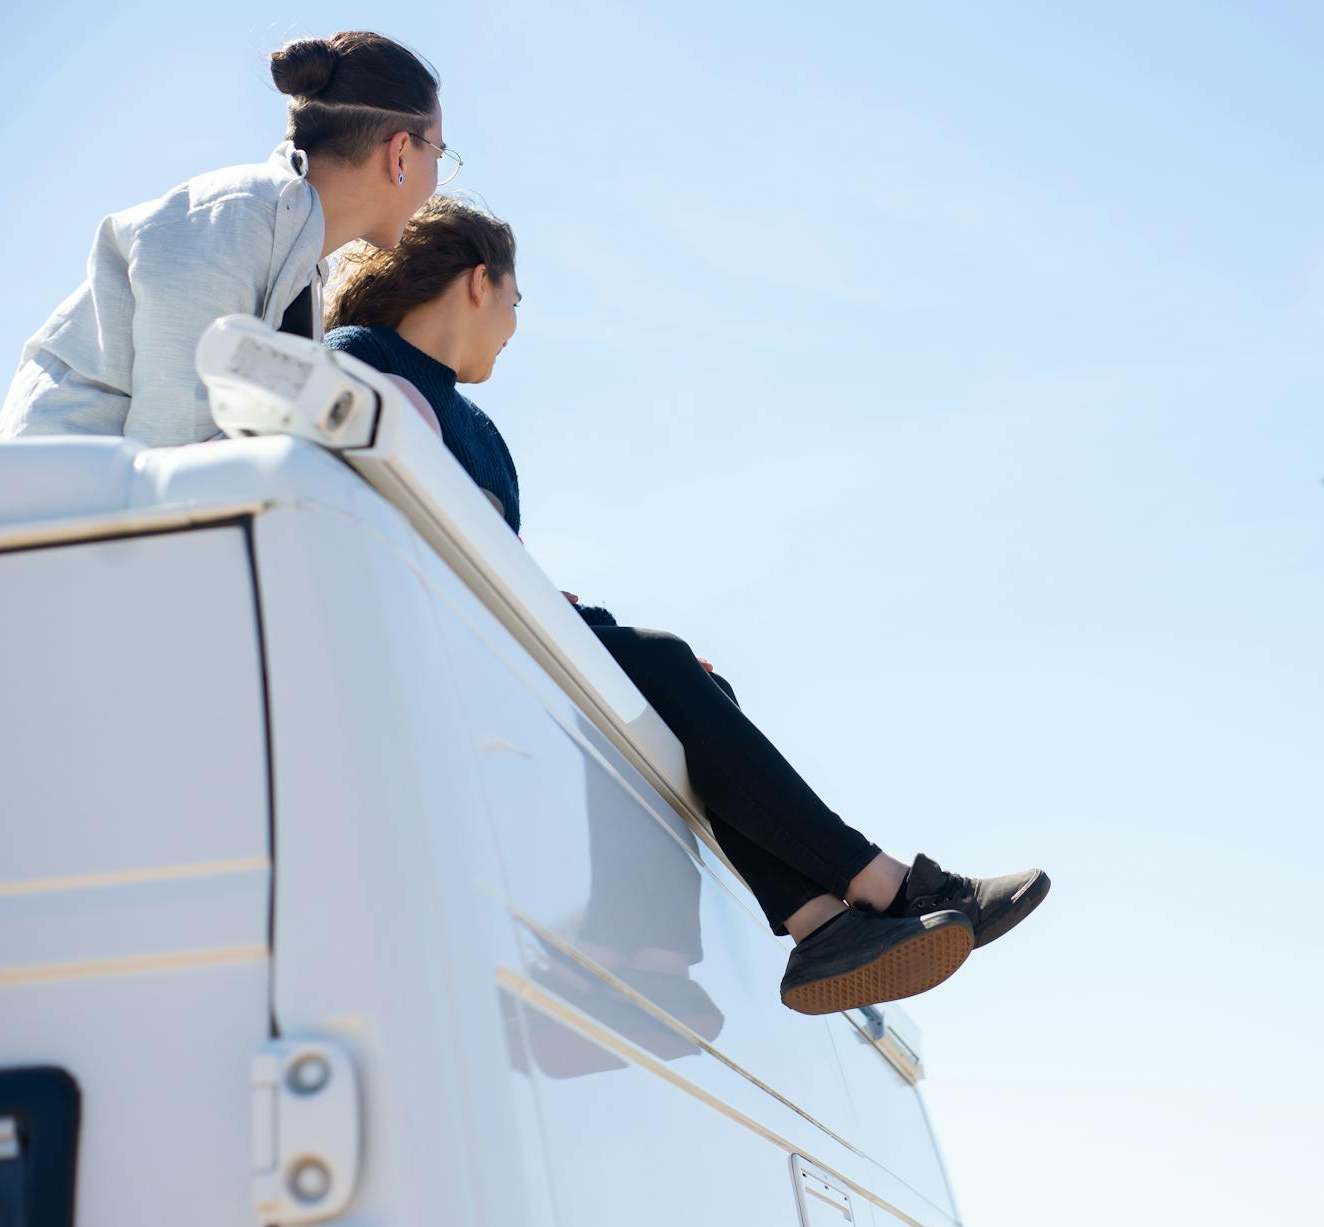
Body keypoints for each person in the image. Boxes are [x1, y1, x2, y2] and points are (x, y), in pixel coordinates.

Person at [323, 197, 1052, 1015]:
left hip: (498, 627)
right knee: (664, 660)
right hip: (435, 635)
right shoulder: (358, 361)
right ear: (480, 283)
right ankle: (888, 885)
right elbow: (428, 538)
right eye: (517, 304)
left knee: (696, 683)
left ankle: (817, 926)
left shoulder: (478, 427)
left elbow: (504, 569)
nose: (514, 328)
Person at [0, 31, 451, 446]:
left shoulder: (288, 245)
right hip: (46, 512)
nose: (438, 180)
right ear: (400, 153)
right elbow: (171, 454)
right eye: (438, 152)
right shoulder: (239, 217)